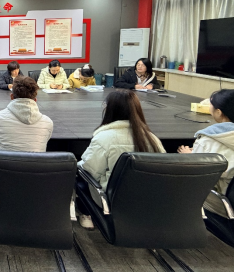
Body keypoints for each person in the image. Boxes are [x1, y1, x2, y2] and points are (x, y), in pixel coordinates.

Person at [77, 89, 165, 230]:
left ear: (109, 109)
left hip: (113, 199)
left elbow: (89, 169)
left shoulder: (104, 138)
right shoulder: (152, 138)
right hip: (147, 198)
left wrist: (77, 164)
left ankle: (87, 213)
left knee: (80, 175)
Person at [178, 90, 234, 218]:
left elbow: (197, 172)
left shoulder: (207, 140)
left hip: (223, 202)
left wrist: (190, 156)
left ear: (218, 112)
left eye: (211, 104)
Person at [0, 76, 53, 152]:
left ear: (12, 97)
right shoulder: (47, 122)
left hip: (5, 160)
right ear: (35, 100)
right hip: (36, 160)